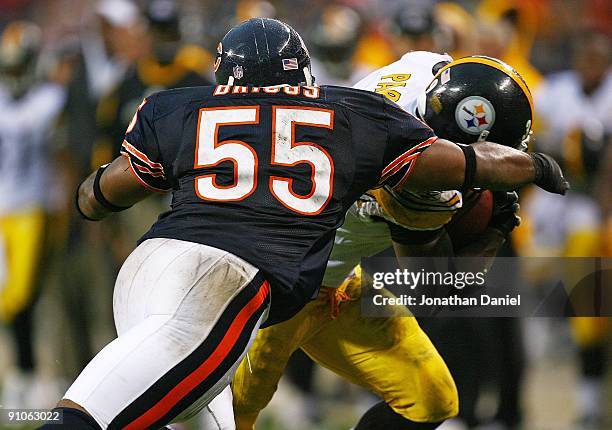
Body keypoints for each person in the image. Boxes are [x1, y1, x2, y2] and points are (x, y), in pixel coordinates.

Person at [41, 18, 567, 430]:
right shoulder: (390, 141)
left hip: (328, 279)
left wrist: (88, 199)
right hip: (281, 280)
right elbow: (433, 283)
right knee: (227, 415)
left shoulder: (419, 79)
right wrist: (500, 214)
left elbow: (102, 192)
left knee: (430, 399)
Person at [0, 20, 69, 408]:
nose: (12, 74)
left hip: (34, 207)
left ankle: (31, 374)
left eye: (17, 65)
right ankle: (22, 374)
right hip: (4, 206)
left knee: (24, 293)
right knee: (9, 297)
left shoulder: (50, 100)